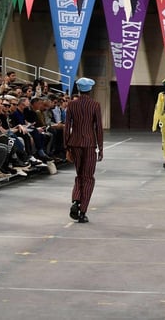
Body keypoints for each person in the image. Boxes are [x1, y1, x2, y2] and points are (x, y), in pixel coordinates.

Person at [65, 77, 103, 223]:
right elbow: (98, 127)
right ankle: (82, 211)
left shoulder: (71, 105)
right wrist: (101, 147)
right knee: (88, 178)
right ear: (90, 89)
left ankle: (75, 200)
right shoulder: (95, 105)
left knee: (79, 175)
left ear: (79, 89)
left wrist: (66, 146)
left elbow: (67, 127)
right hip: (89, 144)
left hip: (74, 143)